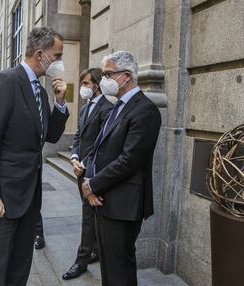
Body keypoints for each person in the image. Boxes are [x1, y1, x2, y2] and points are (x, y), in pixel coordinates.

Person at [0, 26, 69, 286]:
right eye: (57, 56)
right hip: (2, 197)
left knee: (20, 264)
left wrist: (61, 102)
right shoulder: (7, 81)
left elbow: (49, 136)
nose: (60, 62)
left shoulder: (38, 88)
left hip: (28, 196)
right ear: (40, 54)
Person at [81, 51, 162, 286]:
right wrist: (90, 180)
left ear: (126, 76)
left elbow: (129, 160)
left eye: (108, 74)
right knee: (109, 265)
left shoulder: (145, 109)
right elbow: (100, 148)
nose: (103, 80)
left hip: (123, 203)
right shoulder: (117, 106)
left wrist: (92, 184)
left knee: (120, 269)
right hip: (105, 198)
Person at [62, 68, 113, 280]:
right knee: (89, 213)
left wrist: (83, 163)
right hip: (80, 170)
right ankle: (96, 251)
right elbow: (78, 138)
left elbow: (103, 143)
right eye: (82, 82)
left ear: (97, 85)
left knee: (88, 216)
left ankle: (82, 260)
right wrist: (74, 158)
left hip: (94, 172)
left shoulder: (107, 109)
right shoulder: (84, 110)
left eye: (86, 83)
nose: (83, 87)